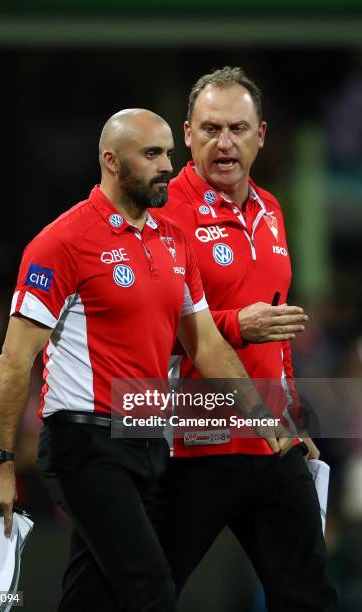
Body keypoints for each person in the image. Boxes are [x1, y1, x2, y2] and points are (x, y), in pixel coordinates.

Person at [0, 108, 288, 612]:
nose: (167, 165)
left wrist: (260, 411)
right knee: (151, 591)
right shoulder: (62, 243)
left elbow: (205, 344)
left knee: (93, 595)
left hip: (148, 441)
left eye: (168, 152)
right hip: (85, 440)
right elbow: (15, 359)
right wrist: (0, 462)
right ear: (111, 161)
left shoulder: (174, 240)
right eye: (151, 154)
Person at [159, 68, 338, 611]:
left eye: (238, 128)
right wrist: (238, 324)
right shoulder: (162, 215)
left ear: (262, 136)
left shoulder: (274, 212)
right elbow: (147, 333)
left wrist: (293, 418)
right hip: (189, 443)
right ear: (187, 134)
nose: (225, 142)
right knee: (142, 593)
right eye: (210, 128)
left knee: (309, 596)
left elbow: (278, 332)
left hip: (269, 440)